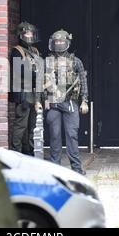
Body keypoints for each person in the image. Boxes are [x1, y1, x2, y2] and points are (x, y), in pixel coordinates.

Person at [44, 29, 89, 174]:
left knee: (72, 136)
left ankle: (76, 169)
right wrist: (39, 101)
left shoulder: (76, 61)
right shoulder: (48, 61)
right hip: (54, 104)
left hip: (70, 103)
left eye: (61, 41)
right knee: (54, 136)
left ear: (67, 43)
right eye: (56, 42)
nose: (59, 44)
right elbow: (41, 83)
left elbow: (83, 81)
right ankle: (55, 169)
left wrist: (85, 101)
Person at [9, 21, 43, 156]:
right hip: (23, 92)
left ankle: (29, 153)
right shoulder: (16, 51)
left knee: (32, 125)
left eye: (31, 33)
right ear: (21, 34)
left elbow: (40, 67)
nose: (30, 35)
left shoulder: (34, 51)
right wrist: (37, 76)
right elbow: (20, 70)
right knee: (21, 125)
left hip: (34, 93)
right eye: (27, 33)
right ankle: (16, 153)